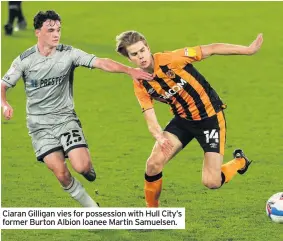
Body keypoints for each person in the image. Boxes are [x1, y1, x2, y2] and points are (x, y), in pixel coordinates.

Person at [1, 11, 153, 207]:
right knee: (61, 174)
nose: (56, 34)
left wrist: (129, 70)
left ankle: (87, 168)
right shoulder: (25, 60)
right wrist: (4, 103)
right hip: (39, 127)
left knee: (81, 167)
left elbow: (101, 62)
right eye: (50, 30)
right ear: (38, 32)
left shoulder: (69, 54)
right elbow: (3, 85)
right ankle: (93, 209)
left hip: (65, 120)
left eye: (58, 30)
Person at [115, 31, 263, 207]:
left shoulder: (172, 59)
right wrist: (159, 137)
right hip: (183, 121)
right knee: (153, 164)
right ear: (129, 59)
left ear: (148, 47)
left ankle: (240, 162)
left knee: (212, 182)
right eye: (134, 54)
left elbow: (212, 48)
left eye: (142, 51)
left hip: (210, 119)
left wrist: (248, 50)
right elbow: (149, 115)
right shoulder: (140, 82)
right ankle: (153, 213)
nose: (141, 57)